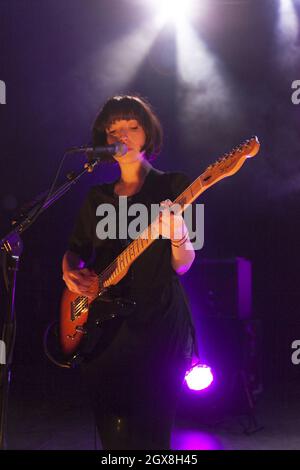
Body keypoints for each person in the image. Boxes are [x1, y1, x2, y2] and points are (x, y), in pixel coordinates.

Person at [62, 94, 197, 450]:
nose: (121, 134)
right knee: (112, 430)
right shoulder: (97, 198)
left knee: (153, 432)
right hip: (104, 327)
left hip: (158, 323)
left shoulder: (173, 187)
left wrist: (178, 232)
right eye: (113, 129)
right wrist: (70, 275)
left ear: (147, 133)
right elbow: (74, 252)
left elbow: (183, 265)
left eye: (131, 126)